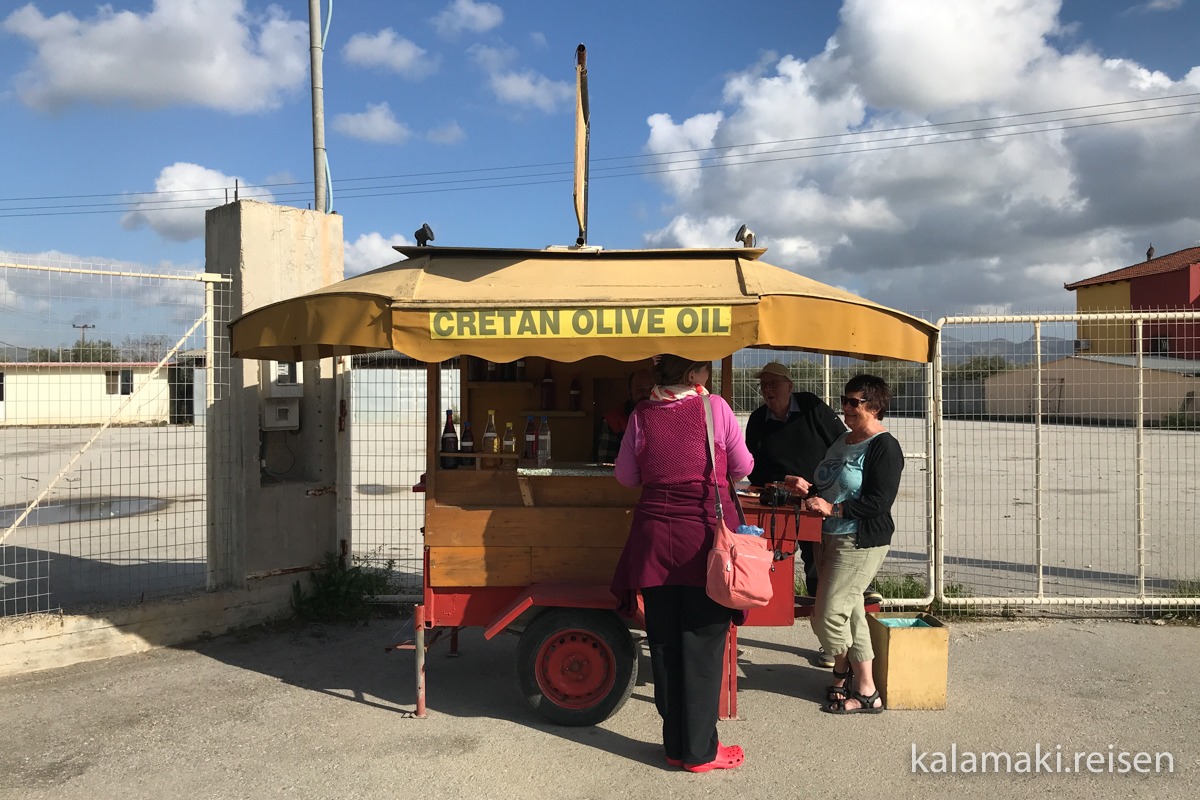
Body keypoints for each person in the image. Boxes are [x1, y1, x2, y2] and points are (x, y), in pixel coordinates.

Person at [611, 354, 753, 772]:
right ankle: (700, 752)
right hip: (704, 540)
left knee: (666, 643)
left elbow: (625, 477)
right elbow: (744, 467)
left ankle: (675, 745)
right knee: (704, 645)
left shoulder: (642, 414)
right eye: (704, 367)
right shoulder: (714, 407)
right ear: (693, 374)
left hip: (654, 539)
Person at [788, 374, 903, 714]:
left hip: (859, 539)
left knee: (826, 615)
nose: (846, 408)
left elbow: (879, 501)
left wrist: (834, 508)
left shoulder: (884, 446)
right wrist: (808, 491)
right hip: (830, 536)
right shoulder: (843, 440)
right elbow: (830, 487)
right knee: (851, 613)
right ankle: (868, 691)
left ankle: (842, 669)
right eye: (845, 400)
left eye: (855, 402)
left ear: (876, 406)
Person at [743, 361, 845, 600]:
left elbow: (840, 442)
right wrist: (783, 480)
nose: (767, 389)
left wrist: (826, 483)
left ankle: (820, 602)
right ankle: (771, 600)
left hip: (819, 495)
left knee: (818, 556)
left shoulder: (811, 406)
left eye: (773, 383)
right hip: (778, 497)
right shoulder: (758, 420)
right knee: (776, 550)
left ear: (789, 386)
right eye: (763, 384)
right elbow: (753, 469)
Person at [596, 367, 655, 463]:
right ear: (629, 392)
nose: (646, 394)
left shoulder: (666, 416)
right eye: (640, 389)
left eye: (651, 389)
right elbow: (606, 464)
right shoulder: (613, 420)